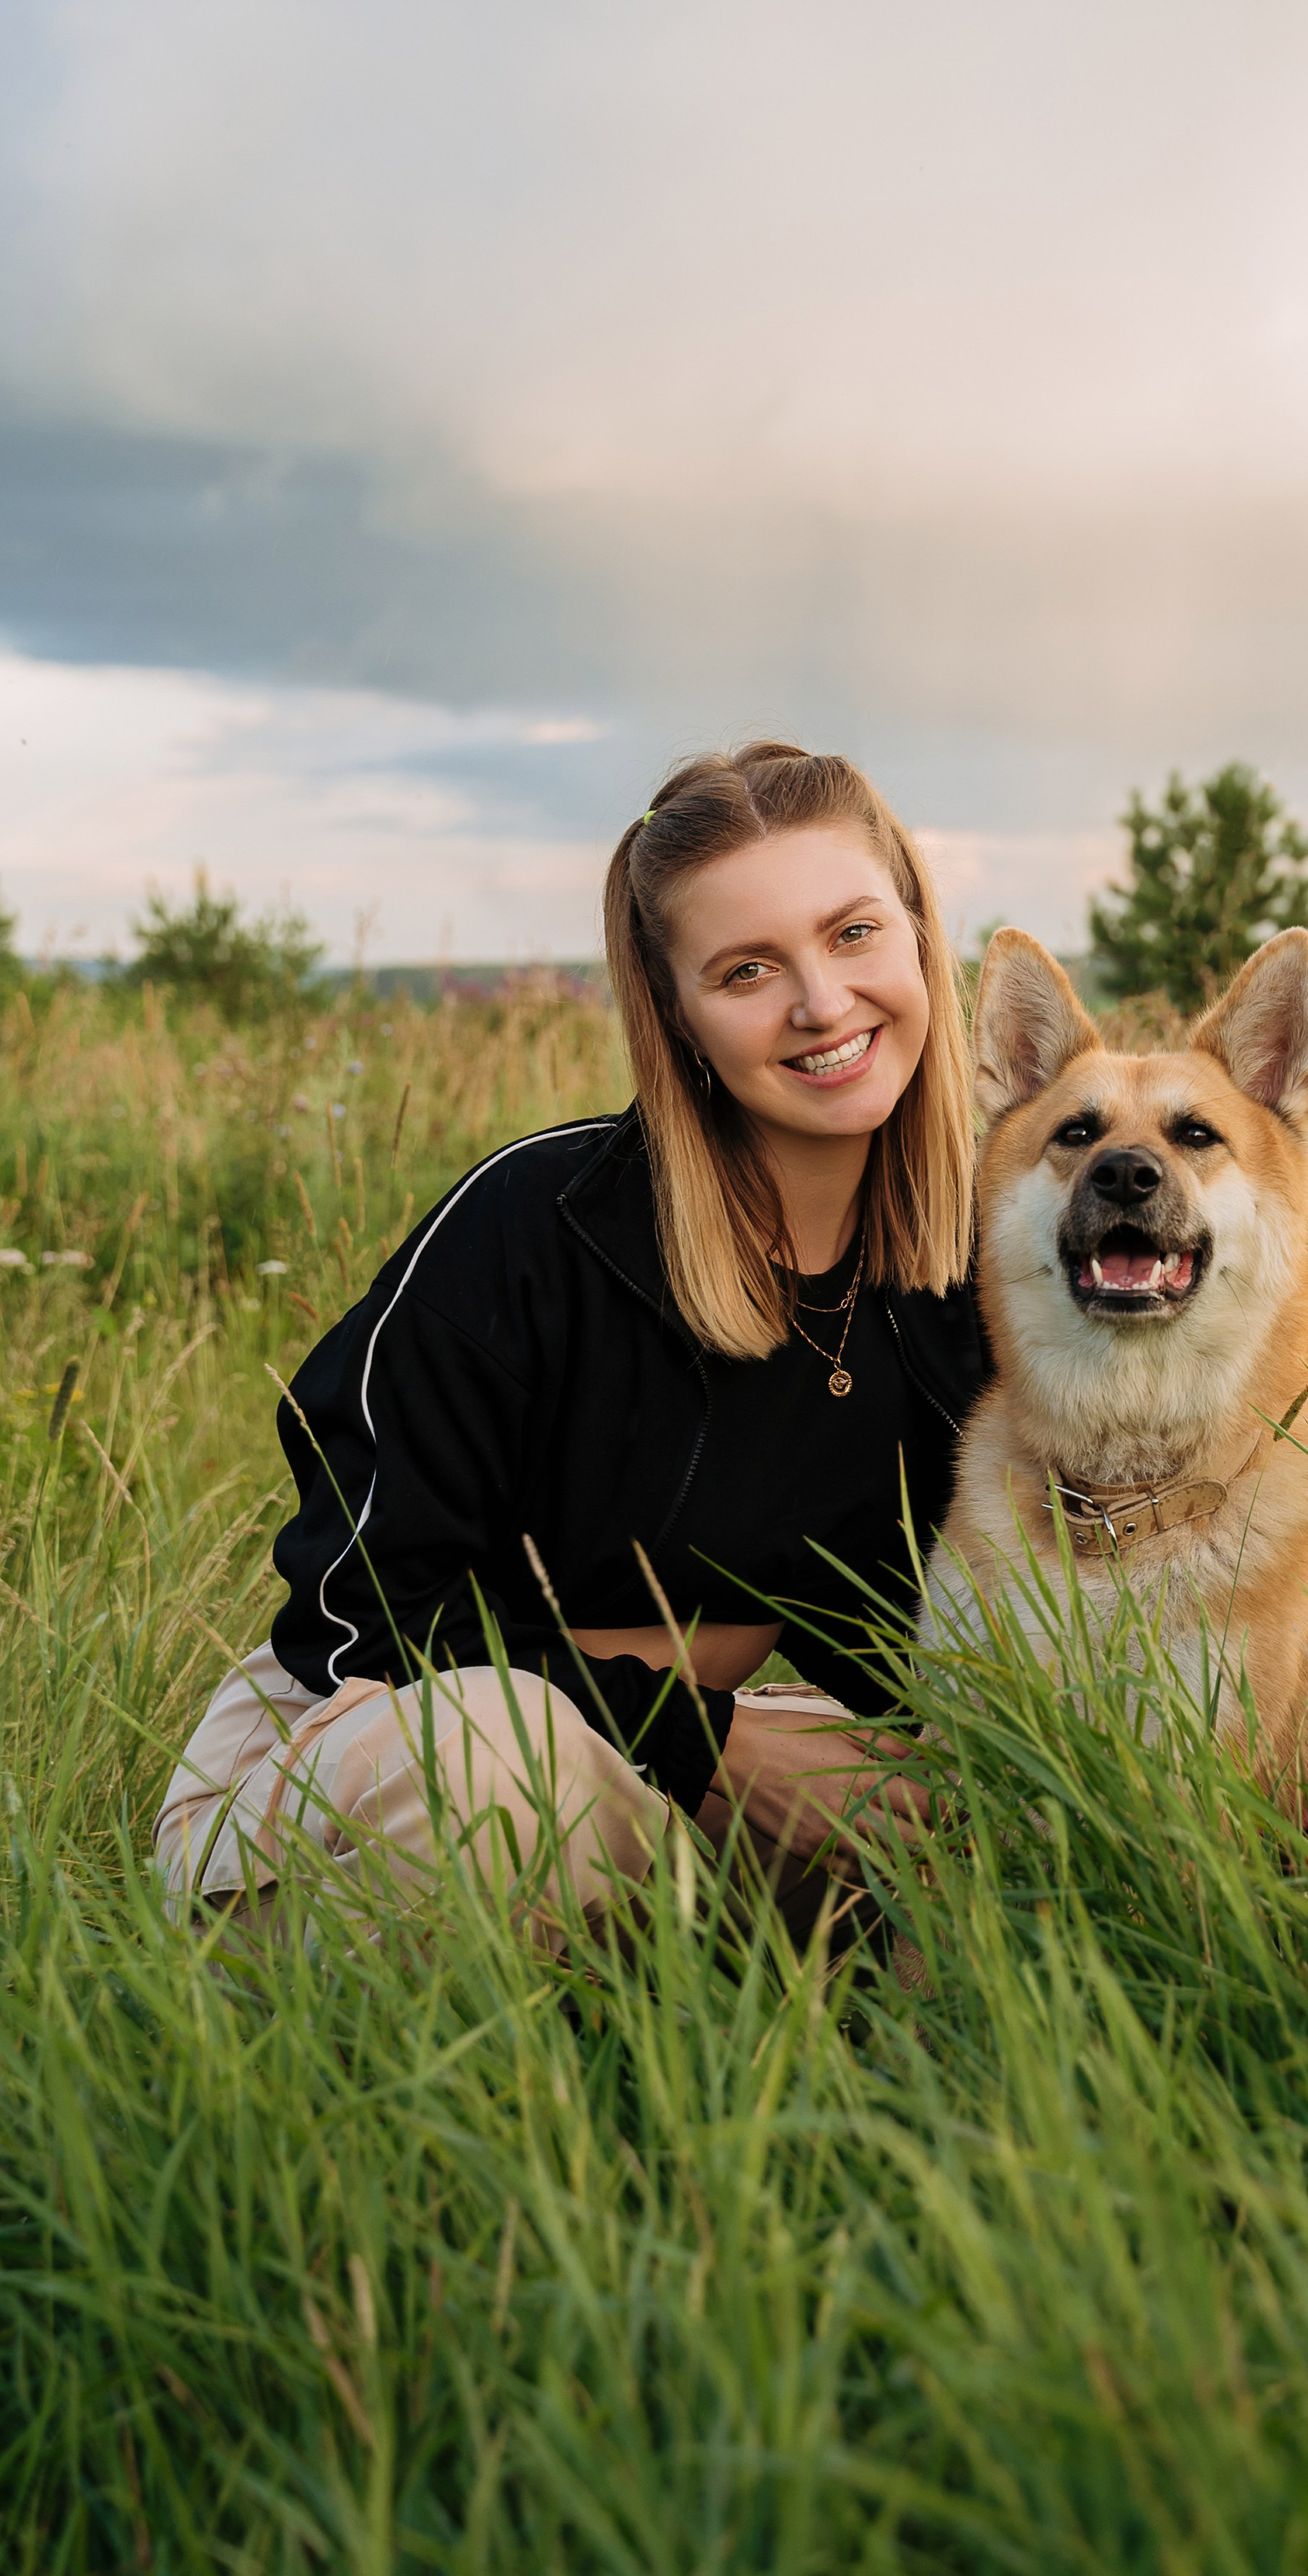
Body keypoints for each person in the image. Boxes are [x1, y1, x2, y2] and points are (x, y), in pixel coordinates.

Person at [155, 742, 983, 1946]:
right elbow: (358, 1620)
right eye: (747, 969)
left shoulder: (987, 1260)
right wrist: (704, 1732)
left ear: (918, 936)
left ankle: (692, 2061)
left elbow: (1213, 1485)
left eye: (853, 933)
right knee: (514, 1763)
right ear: (681, 1017)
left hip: (702, 1750)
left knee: (1001, 1823)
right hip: (373, 1762)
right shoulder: (536, 1230)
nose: (819, 1001)